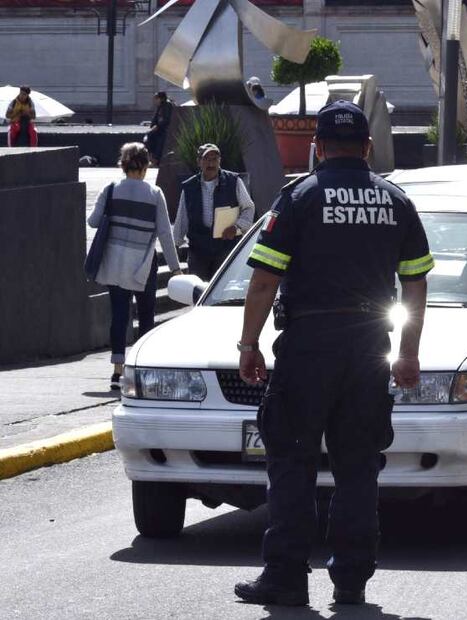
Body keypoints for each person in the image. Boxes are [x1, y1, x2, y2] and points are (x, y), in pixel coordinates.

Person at [233, 100, 433, 607]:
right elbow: (415, 286)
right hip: (369, 351)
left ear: (317, 147)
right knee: (358, 466)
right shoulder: (396, 202)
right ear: (367, 147)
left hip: (307, 350)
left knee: (292, 462)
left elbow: (263, 281)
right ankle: (351, 579)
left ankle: (285, 576)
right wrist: (408, 354)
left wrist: (249, 343)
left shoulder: (298, 199)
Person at [87, 143, 181, 390]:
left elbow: (93, 221)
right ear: (145, 165)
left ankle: (117, 372)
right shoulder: (154, 193)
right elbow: (165, 233)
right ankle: (143, 371)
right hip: (143, 265)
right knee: (146, 317)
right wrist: (175, 268)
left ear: (123, 164)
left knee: (119, 316)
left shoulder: (110, 189)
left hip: (115, 265)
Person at [173, 143, 255, 281]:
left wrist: (236, 228)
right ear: (199, 162)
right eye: (206, 159)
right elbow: (182, 218)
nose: (211, 163)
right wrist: (175, 246)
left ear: (219, 161)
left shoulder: (233, 181)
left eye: (214, 159)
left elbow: (248, 208)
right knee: (198, 292)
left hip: (225, 248)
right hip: (198, 250)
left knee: (222, 291)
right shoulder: (189, 187)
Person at [144, 91, 174, 165]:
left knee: (157, 139)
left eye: (156, 98)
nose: (154, 100)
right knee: (149, 136)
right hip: (160, 129)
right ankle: (152, 157)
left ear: (161, 98)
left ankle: (155, 159)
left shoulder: (167, 105)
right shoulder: (160, 106)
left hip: (165, 129)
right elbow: (157, 119)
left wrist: (157, 126)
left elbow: (166, 120)